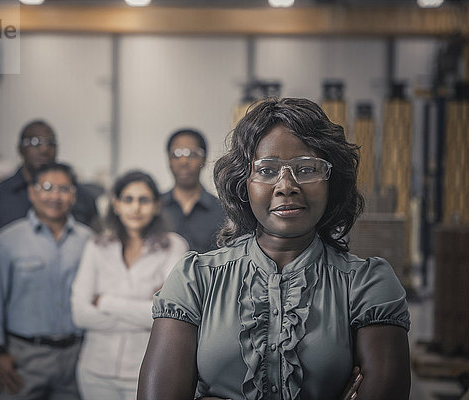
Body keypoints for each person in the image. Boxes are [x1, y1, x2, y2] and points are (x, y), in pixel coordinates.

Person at [138, 98, 411, 400]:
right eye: (267, 171)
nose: (286, 186)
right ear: (244, 184)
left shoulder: (368, 284)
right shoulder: (195, 279)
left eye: (306, 169)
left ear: (332, 182)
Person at [0, 120, 99, 333]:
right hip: (19, 328)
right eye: (34, 142)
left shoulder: (84, 199)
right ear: (20, 149)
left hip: (74, 328)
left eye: (49, 142)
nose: (43, 148)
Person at [0, 162, 91, 399]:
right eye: (47, 188)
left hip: (77, 357)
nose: (55, 196)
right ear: (32, 192)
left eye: (63, 189)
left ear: (73, 195)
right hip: (22, 358)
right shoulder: (7, 240)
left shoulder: (90, 242)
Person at [71, 170, 188, 400]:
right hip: (95, 372)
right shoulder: (96, 246)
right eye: (128, 199)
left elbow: (169, 315)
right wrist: (146, 310)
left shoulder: (174, 247)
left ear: (156, 206)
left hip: (148, 371)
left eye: (143, 200)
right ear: (116, 204)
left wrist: (105, 301)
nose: (135, 208)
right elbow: (80, 314)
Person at [161, 128, 225, 253]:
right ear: (168, 160)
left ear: (204, 159)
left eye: (192, 154)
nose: (184, 161)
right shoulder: (154, 208)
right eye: (177, 154)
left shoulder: (223, 211)